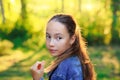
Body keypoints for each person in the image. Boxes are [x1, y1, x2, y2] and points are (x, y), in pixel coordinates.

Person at [30, 14, 96, 80]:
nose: (51, 43)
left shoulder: (65, 66)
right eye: (48, 36)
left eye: (59, 38)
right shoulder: (77, 59)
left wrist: (37, 78)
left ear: (72, 39)